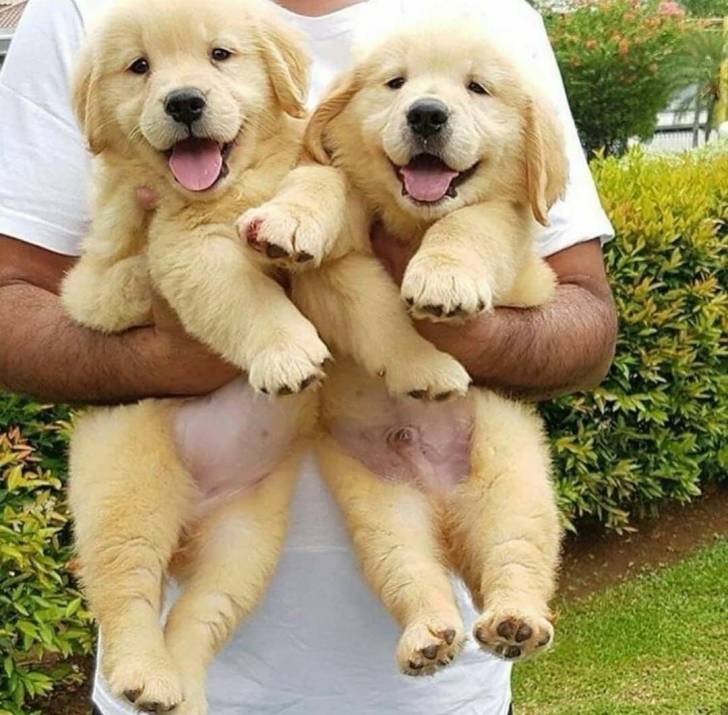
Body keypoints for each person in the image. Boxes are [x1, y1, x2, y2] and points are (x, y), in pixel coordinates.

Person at [0, 0, 617, 713]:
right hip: (218, 464)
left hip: (446, 696)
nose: (183, 86)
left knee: (479, 493)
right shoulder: (84, 13)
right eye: (140, 69)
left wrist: (454, 330)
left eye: (220, 57)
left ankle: (496, 596)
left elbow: (586, 321)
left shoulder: (493, 18)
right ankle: (162, 660)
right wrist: (177, 355)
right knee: (176, 555)